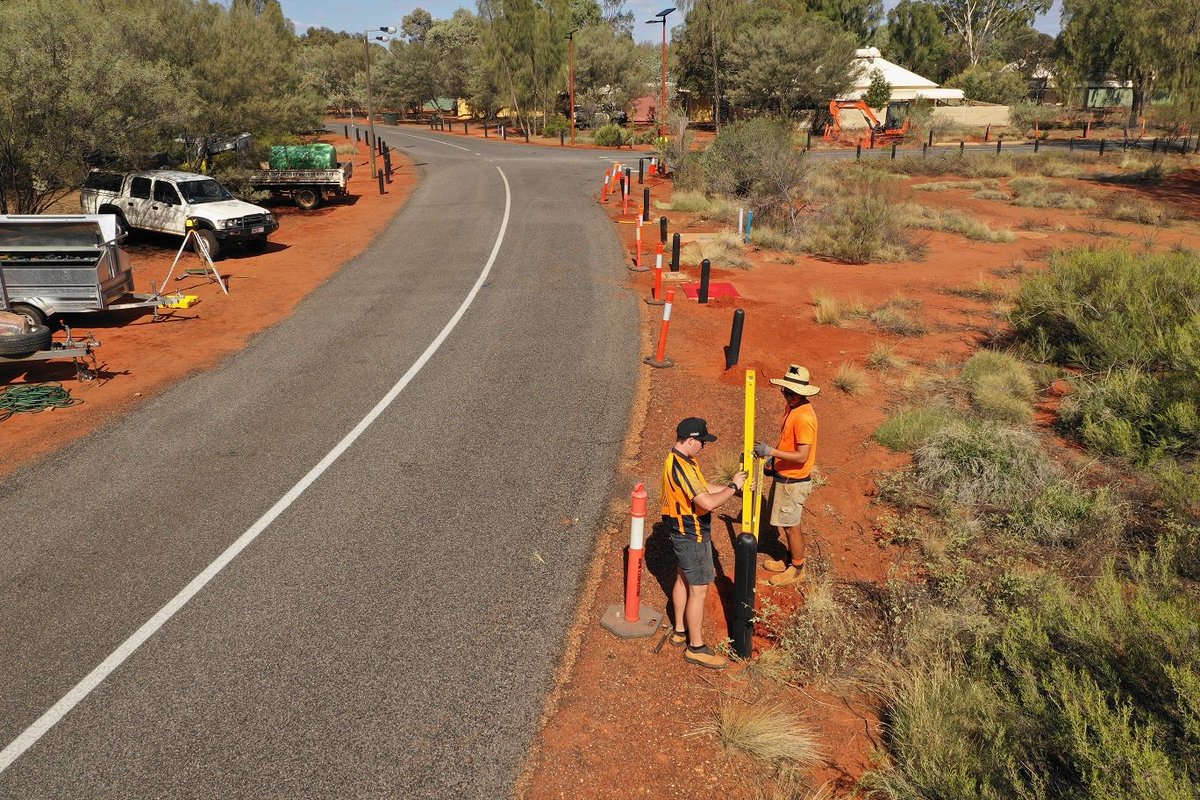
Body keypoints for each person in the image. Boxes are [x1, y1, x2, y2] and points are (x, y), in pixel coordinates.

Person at [661, 417, 748, 670]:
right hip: (692, 535)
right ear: (690, 440)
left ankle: (680, 630)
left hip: (680, 532)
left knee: (682, 578)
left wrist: (730, 489)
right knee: (698, 589)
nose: (703, 447)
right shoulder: (682, 467)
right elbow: (706, 503)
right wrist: (733, 486)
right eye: (702, 443)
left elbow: (703, 488)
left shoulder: (680, 460)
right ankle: (696, 648)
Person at [754, 364, 820, 588]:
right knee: (786, 523)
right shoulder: (793, 408)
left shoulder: (804, 418)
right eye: (786, 392)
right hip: (785, 476)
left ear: (802, 394)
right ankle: (789, 560)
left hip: (794, 481)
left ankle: (798, 569)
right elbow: (788, 442)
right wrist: (775, 462)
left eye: (792, 394)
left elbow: (802, 456)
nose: (788, 396)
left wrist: (770, 452)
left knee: (792, 527)